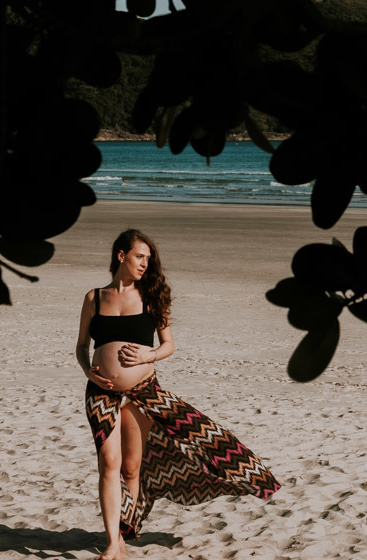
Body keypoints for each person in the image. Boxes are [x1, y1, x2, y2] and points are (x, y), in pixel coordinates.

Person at [75, 229, 280, 560]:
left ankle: (128, 525)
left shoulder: (152, 296)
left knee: (131, 467)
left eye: (148, 258)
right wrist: (87, 369)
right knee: (108, 463)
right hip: (100, 392)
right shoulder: (93, 298)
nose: (145, 263)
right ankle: (114, 543)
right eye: (140, 256)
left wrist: (147, 355)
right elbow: (82, 345)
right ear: (121, 255)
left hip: (143, 390)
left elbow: (169, 345)